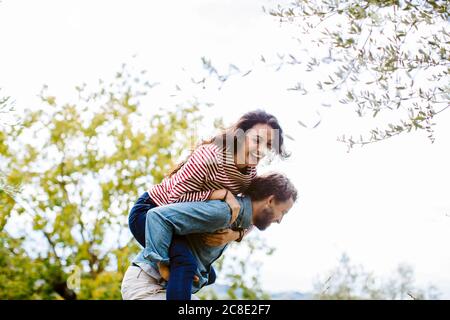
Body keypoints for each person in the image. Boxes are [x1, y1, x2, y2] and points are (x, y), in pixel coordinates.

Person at [128, 110, 289, 299]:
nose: (262, 149)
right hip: (150, 213)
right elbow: (174, 200)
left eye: (269, 145)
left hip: (178, 225)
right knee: (185, 263)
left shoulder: (249, 174)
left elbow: (255, 211)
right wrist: (219, 194)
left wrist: (235, 234)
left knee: (206, 275)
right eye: (257, 140)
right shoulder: (210, 157)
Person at [121, 172, 298, 299]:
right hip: (147, 284)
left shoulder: (242, 219)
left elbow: (252, 219)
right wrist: (165, 264)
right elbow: (157, 216)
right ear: (270, 200)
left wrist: (236, 235)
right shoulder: (224, 212)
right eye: (283, 212)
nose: (280, 220)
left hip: (166, 288)